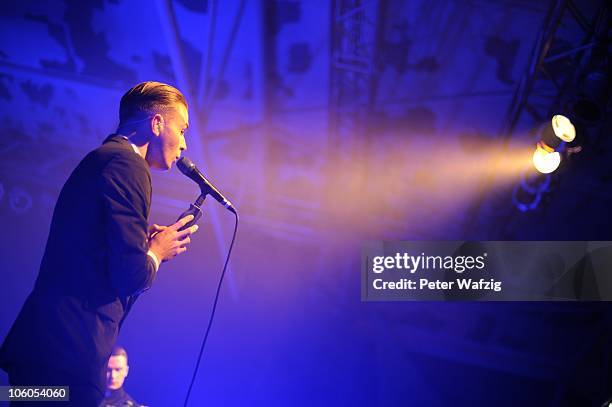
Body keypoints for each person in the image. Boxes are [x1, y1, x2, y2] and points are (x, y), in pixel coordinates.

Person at [0, 81, 198, 406]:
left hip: (46, 351)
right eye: (183, 128)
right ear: (157, 123)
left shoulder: (103, 159)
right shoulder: (127, 165)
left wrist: (140, 247)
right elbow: (131, 274)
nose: (185, 144)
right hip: (68, 354)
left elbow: (95, 253)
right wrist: (155, 253)